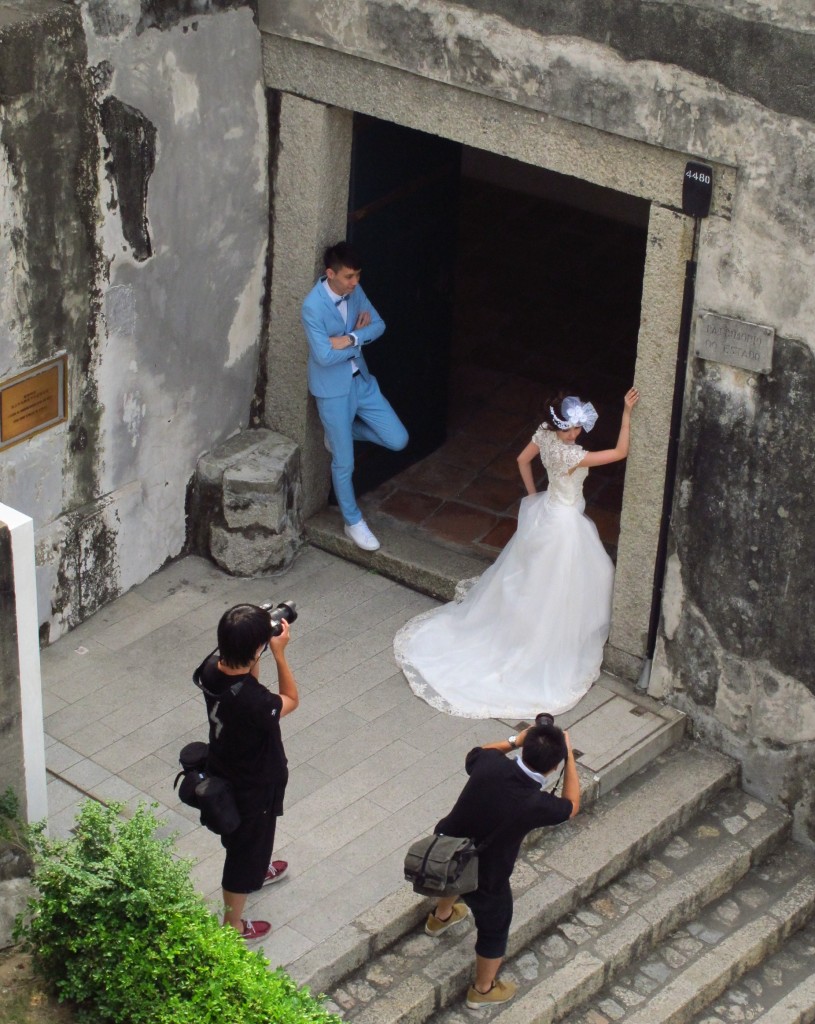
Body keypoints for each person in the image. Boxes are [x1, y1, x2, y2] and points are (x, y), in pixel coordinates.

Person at [394, 388, 640, 718]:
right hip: (564, 522)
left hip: (548, 511)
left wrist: (532, 496)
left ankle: (528, 630)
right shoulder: (570, 456)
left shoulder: (545, 436)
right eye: (572, 429)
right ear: (560, 428)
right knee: (567, 580)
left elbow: (522, 460)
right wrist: (626, 413)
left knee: (532, 580)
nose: (577, 433)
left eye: (576, 428)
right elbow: (621, 452)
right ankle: (547, 641)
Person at [425, 722, 580, 1009]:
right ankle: (483, 990)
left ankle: (441, 916)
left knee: (455, 870)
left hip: (446, 849)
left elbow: (477, 752)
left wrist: (514, 740)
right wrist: (569, 758)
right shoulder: (536, 803)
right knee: (496, 926)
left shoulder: (489, 765)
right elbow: (571, 805)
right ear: (553, 766)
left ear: (526, 745)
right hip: (487, 876)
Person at [195, 604, 300, 943]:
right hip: (253, 787)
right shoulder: (256, 704)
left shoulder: (211, 669)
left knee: (250, 839)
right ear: (257, 649)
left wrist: (254, 650)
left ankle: (258, 865)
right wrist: (280, 654)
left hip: (224, 766)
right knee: (242, 852)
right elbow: (290, 699)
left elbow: (244, 678)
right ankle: (233, 926)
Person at [301, 241, 409, 552]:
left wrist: (350, 339)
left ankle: (339, 435)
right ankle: (353, 521)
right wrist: (359, 339)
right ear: (330, 273)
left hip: (361, 380)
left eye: (358, 275)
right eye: (349, 276)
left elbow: (379, 325)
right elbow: (322, 356)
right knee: (344, 462)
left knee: (397, 439)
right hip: (333, 390)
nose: (355, 282)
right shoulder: (312, 306)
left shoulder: (355, 292)